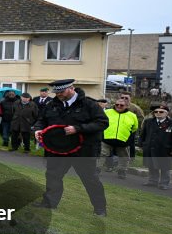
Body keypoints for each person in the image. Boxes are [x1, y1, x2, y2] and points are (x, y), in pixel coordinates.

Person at [33, 79, 109, 216]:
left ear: (72, 88)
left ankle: (100, 208)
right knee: (52, 176)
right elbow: (41, 121)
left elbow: (102, 123)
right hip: (57, 150)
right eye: (56, 92)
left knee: (90, 179)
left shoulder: (89, 104)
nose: (59, 95)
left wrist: (78, 129)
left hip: (84, 150)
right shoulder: (52, 104)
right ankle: (49, 203)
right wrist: (38, 130)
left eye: (61, 91)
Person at [100, 99, 138, 178]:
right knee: (101, 154)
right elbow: (101, 122)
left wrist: (128, 138)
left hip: (123, 140)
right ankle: (97, 170)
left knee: (124, 157)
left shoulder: (132, 116)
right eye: (117, 104)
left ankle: (122, 171)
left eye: (121, 105)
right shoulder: (107, 112)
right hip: (107, 138)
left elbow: (134, 128)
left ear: (127, 106)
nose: (118, 106)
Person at [140, 104, 172, 190]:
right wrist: (141, 144)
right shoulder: (149, 121)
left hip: (165, 149)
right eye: (156, 112)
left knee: (164, 167)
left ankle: (164, 183)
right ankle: (152, 181)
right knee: (151, 165)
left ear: (166, 113)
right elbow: (143, 134)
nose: (158, 113)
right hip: (150, 147)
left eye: (161, 112)